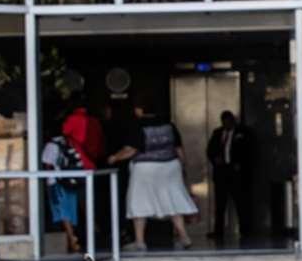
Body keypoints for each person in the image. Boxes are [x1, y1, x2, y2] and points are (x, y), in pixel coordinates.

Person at [109, 99, 196, 250]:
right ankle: (184, 237)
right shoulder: (169, 125)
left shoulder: (138, 125)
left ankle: (140, 241)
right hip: (170, 166)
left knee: (139, 202)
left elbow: (132, 150)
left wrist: (115, 157)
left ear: (140, 110)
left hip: (145, 168)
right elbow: (179, 149)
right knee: (173, 200)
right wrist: (183, 167)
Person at [207, 110, 257, 247]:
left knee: (241, 202)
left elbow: (250, 151)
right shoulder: (217, 133)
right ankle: (218, 231)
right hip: (222, 172)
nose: (226, 124)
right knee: (220, 204)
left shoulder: (244, 132)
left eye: (229, 121)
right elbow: (210, 150)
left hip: (237, 173)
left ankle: (245, 230)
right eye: (224, 121)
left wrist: (241, 164)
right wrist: (215, 159)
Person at [39, 119, 85, 257]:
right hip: (69, 181)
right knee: (70, 210)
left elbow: (47, 163)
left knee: (61, 211)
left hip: (56, 183)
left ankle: (72, 239)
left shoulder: (50, 145)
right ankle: (73, 236)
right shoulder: (67, 142)